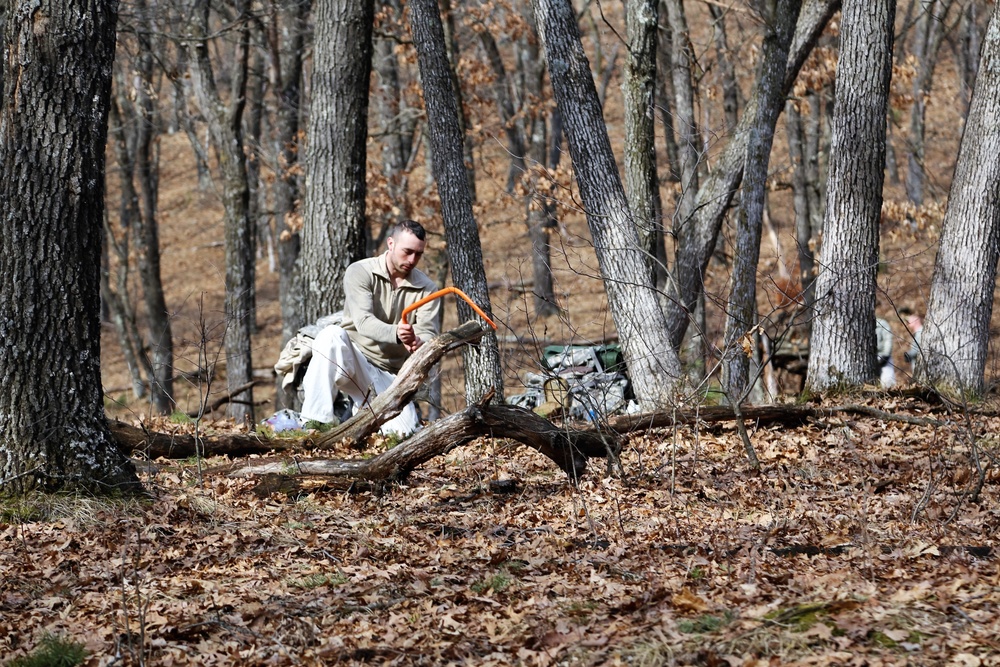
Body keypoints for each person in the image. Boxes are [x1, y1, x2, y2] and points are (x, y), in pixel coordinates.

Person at [300, 220, 442, 437]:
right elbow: (363, 321)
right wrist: (396, 333)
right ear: (391, 243)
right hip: (354, 360)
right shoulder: (360, 271)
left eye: (418, 254)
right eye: (407, 252)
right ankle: (315, 425)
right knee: (330, 336)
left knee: (401, 435)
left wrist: (419, 342)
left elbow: (428, 333)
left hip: (391, 376)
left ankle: (359, 415)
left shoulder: (427, 288)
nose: (412, 259)